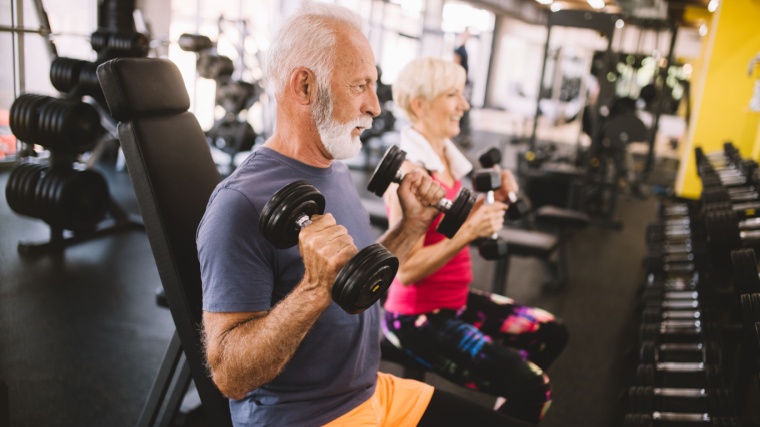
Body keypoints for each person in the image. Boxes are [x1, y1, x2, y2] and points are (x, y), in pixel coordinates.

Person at [197, 3, 534, 427]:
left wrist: (411, 226)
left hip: (373, 391)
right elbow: (229, 375)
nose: (375, 106)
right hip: (309, 416)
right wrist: (313, 289)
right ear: (304, 86)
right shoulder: (239, 204)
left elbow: (354, 279)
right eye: (360, 85)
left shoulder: (331, 168)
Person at [381, 57, 569, 425]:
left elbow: (448, 219)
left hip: (455, 301)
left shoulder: (446, 159)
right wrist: (470, 231)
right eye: (453, 94)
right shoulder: (410, 175)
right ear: (420, 104)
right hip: (417, 317)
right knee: (533, 388)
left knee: (550, 332)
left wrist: (490, 203)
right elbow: (405, 271)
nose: (464, 105)